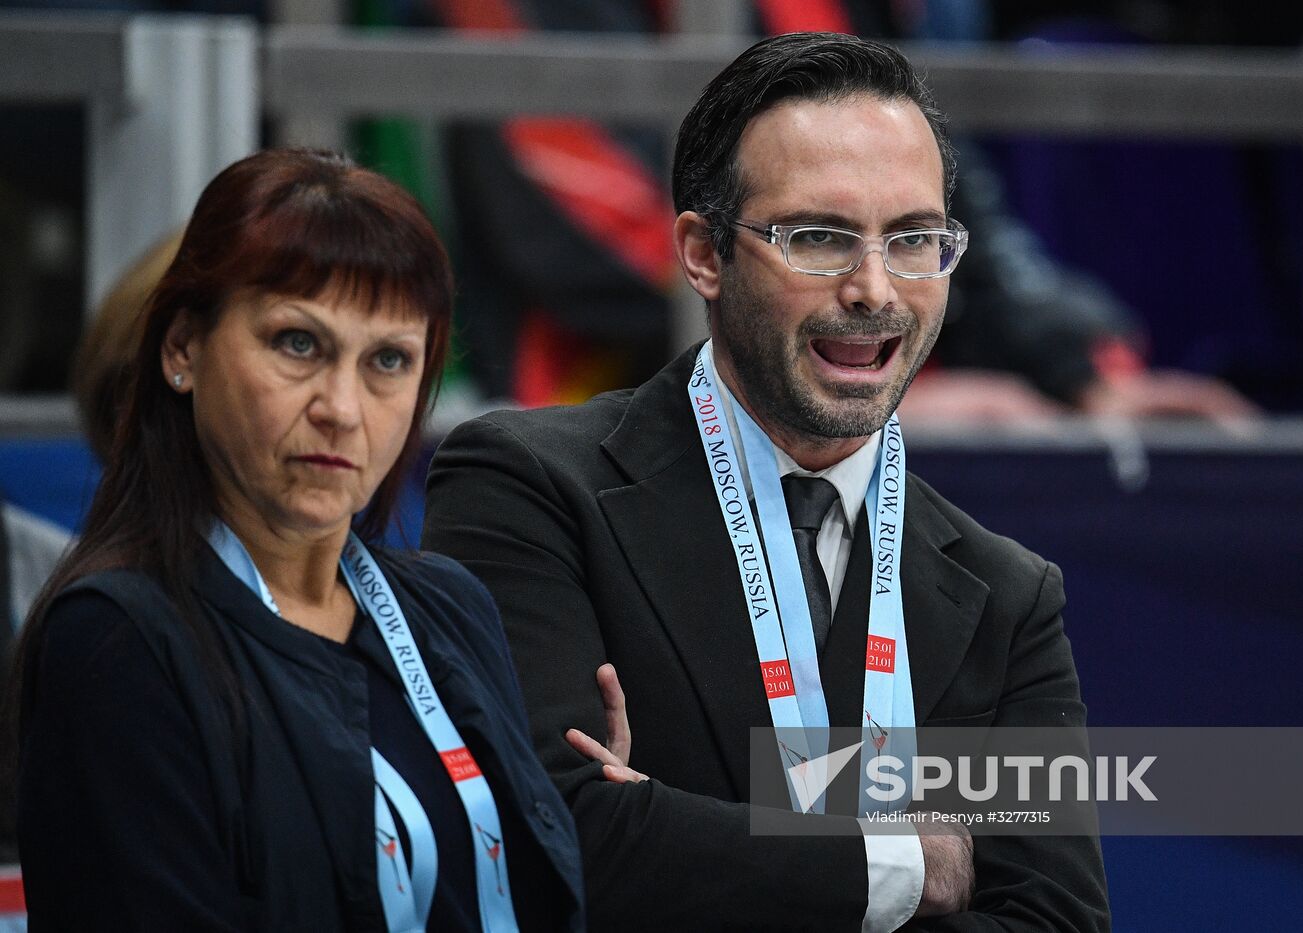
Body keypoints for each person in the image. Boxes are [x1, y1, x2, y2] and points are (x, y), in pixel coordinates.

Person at [423, 32, 1109, 932]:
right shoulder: (527, 488)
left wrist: (676, 835)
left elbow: (1056, 923)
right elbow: (555, 843)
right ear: (704, 254)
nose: (874, 288)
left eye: (914, 240)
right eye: (820, 238)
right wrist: (908, 862)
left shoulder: (1009, 596)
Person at [5, 148, 584, 931]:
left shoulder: (450, 605)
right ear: (183, 349)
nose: (342, 407)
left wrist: (595, 812)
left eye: (388, 359)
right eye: (297, 343)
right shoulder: (117, 638)